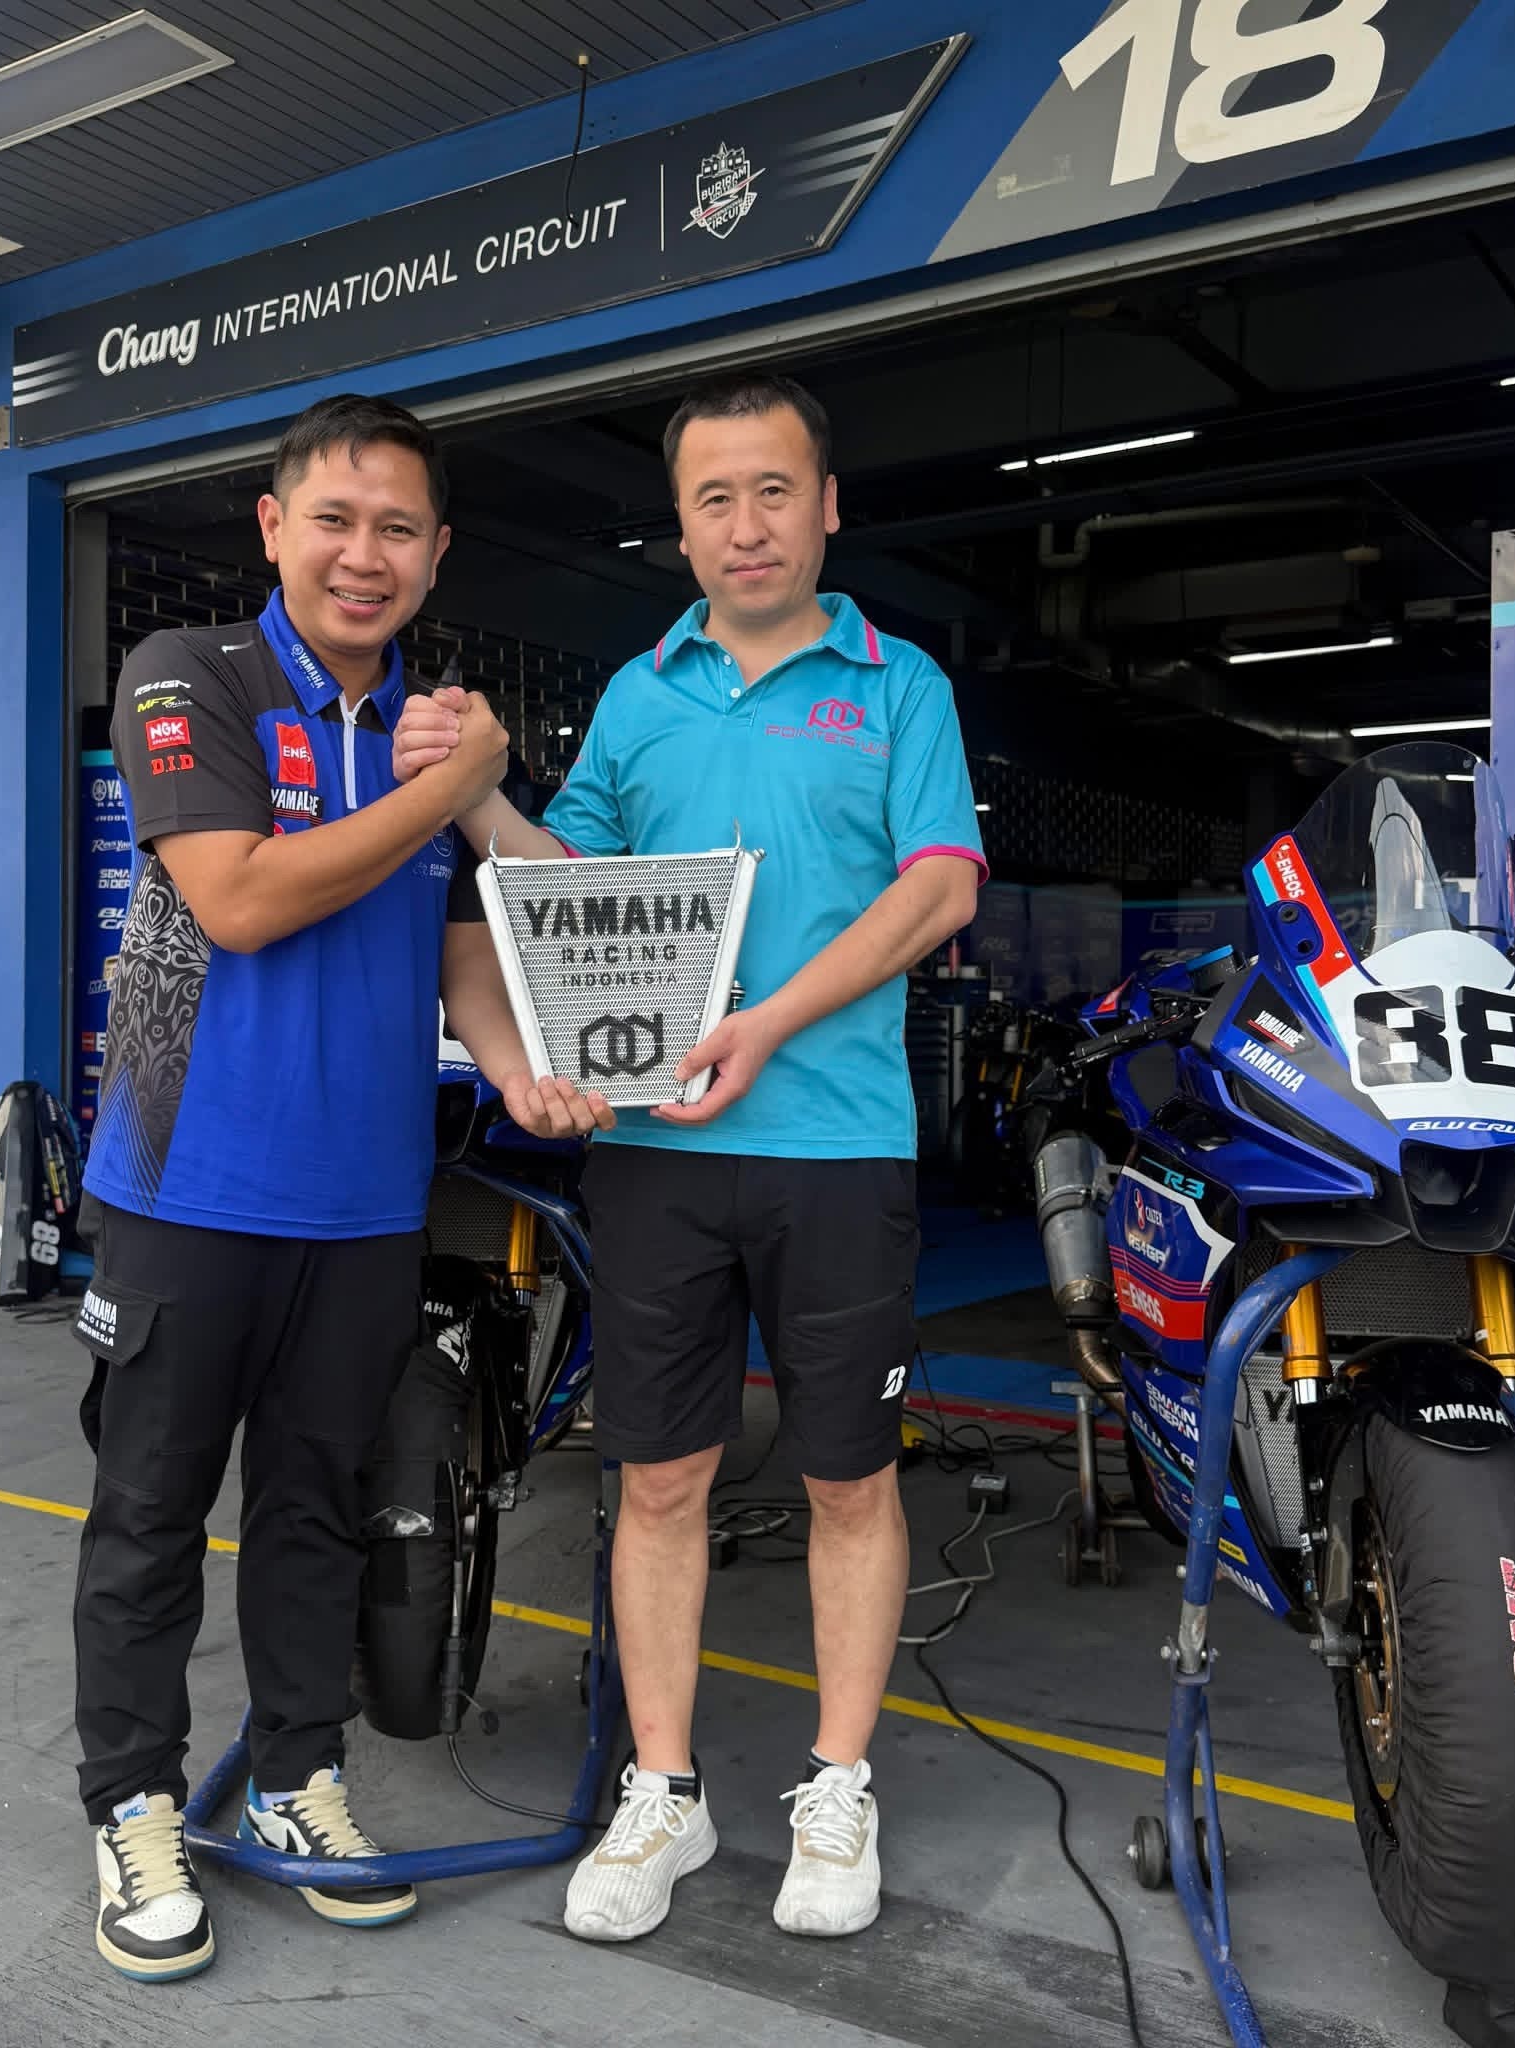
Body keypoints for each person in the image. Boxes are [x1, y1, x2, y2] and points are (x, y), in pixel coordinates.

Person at [394, 372, 984, 1943]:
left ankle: (837, 1782)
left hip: (839, 1143)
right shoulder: (644, 696)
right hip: (653, 1146)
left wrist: (770, 1021)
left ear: (829, 505)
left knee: (852, 1478)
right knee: (657, 1475)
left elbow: (940, 890)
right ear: (679, 525)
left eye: (774, 490)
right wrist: (475, 794)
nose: (746, 525)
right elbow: (571, 888)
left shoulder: (899, 683)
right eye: (714, 498)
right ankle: (664, 1789)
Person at [73, 392, 610, 1984]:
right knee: (151, 1516)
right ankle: (133, 1803)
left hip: (369, 1201)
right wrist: (447, 792)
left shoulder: (438, 734)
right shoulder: (194, 679)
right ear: (273, 527)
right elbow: (238, 901)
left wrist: (518, 1071)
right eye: (334, 520)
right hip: (185, 1187)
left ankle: (302, 1777)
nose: (362, 556)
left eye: (397, 530)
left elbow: (459, 942)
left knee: (316, 1515)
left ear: (436, 555)